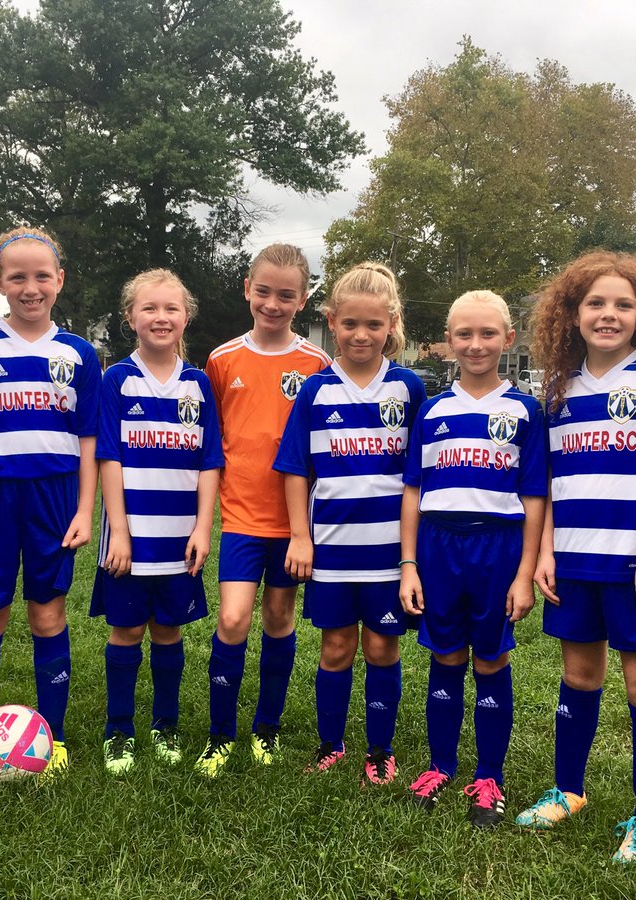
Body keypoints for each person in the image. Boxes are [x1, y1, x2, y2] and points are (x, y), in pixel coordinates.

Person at [515, 251, 636, 863]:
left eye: (623, 304)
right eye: (596, 303)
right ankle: (569, 790)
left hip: (634, 566)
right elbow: (552, 482)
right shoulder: (559, 387)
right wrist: (545, 552)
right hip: (573, 562)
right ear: (573, 313)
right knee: (579, 676)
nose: (608, 314)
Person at [0, 227, 99, 783]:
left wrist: (85, 510)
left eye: (41, 276)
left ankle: (52, 740)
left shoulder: (78, 352)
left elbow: (88, 439)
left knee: (47, 611)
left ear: (60, 280)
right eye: (18, 277)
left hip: (54, 496)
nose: (31, 288)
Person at [275, 263, 425, 785]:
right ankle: (331, 743)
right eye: (350, 324)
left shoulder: (408, 387)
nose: (361, 335)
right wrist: (300, 537)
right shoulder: (315, 391)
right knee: (336, 647)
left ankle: (380, 749)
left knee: (382, 647)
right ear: (332, 322)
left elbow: (420, 475)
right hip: (332, 549)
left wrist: (413, 556)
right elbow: (295, 469)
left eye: (374, 324)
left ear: (392, 324)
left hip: (389, 551)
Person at [399, 290, 545, 825]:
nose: (476, 344)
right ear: (448, 340)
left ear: (509, 339)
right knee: (444, 655)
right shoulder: (433, 410)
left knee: (490, 657)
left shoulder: (525, 411)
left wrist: (524, 574)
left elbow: (535, 496)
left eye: (488, 334)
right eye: (464, 334)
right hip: (438, 545)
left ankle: (488, 776)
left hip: (497, 547)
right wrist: (409, 564)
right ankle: (440, 765)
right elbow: (413, 490)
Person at [196, 244, 332, 776]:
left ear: (302, 300)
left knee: (278, 617)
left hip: (294, 522)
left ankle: (267, 727)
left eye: (286, 295)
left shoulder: (316, 364)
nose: (273, 304)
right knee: (232, 618)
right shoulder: (222, 359)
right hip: (242, 518)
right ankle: (219, 735)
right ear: (247, 290)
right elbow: (211, 439)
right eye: (264, 292)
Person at [93, 269, 222, 774]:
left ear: (186, 317)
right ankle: (119, 729)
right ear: (131, 317)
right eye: (149, 308)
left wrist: (202, 528)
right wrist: (119, 531)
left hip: (179, 537)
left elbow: (209, 461)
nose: (161, 317)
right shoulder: (117, 380)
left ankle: (165, 724)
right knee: (126, 631)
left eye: (171, 308)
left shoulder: (198, 384)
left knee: (169, 631)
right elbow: (109, 457)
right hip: (131, 537)